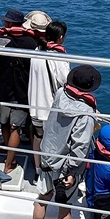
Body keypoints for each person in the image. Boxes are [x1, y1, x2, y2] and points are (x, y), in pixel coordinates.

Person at [32, 65, 101, 219]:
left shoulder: (60, 94)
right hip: (65, 165)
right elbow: (80, 145)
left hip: (48, 156)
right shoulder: (86, 113)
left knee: (43, 197)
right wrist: (71, 170)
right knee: (65, 207)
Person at [0, 9, 47, 175]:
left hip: (3, 88)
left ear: (9, 23)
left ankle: (7, 154)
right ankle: (9, 163)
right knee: (15, 128)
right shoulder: (31, 43)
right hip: (22, 90)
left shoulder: (0, 40)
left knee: (4, 123)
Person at [28, 19, 68, 171]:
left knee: (38, 136)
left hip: (34, 103)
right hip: (49, 105)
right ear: (61, 37)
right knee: (52, 139)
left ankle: (37, 167)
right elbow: (65, 79)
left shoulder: (37, 51)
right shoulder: (58, 56)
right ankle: (49, 169)